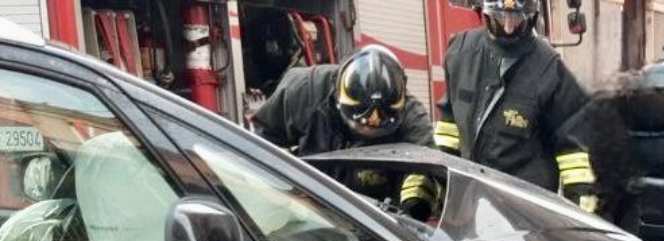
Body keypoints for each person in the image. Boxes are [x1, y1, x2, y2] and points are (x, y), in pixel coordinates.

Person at [434, 0, 599, 213]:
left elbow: (575, 153)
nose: (509, 27)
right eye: (500, 18)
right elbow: (449, 127)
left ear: (532, 16)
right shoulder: (461, 53)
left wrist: (580, 215)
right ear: (485, 13)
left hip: (526, 213)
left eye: (517, 18)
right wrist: (435, 187)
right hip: (470, 207)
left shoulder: (550, 69)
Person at [252, 45, 439, 218]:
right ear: (339, 101)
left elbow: (428, 167)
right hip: (303, 209)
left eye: (375, 133)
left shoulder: (411, 116)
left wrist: (414, 209)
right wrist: (287, 189)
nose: (367, 131)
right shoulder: (303, 91)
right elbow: (261, 145)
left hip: (371, 218)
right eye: (360, 128)